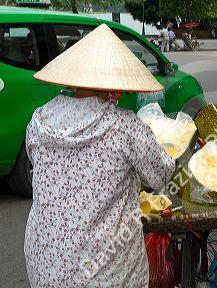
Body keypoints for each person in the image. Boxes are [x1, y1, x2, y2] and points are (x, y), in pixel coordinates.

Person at [25, 24, 175, 287]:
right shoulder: (125, 127)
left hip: (44, 266)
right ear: (114, 82)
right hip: (103, 274)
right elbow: (161, 174)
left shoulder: (38, 121)